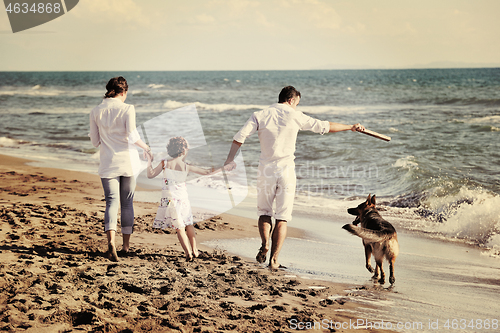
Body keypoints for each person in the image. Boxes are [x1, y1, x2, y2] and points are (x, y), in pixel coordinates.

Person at [224, 86, 365, 270]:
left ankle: (265, 244)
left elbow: (240, 137)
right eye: (297, 103)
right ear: (291, 100)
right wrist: (350, 127)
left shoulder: (260, 115)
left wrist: (229, 160)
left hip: (266, 171)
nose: (296, 107)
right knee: (282, 217)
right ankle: (274, 259)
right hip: (286, 172)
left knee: (264, 212)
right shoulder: (295, 115)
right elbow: (326, 126)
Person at [89, 76, 152, 262]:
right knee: (127, 203)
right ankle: (125, 247)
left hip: (108, 163)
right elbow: (133, 136)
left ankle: (111, 243)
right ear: (123, 92)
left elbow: (94, 142)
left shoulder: (95, 111)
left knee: (111, 202)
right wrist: (146, 148)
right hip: (129, 163)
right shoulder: (128, 108)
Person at [147, 136, 234, 261]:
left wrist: (149, 161)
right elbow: (207, 172)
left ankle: (188, 252)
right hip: (183, 200)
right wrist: (224, 167)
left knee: (179, 227)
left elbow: (150, 175)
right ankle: (195, 251)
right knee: (189, 225)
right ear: (184, 150)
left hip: (170, 201)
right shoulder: (186, 166)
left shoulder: (164, 163)